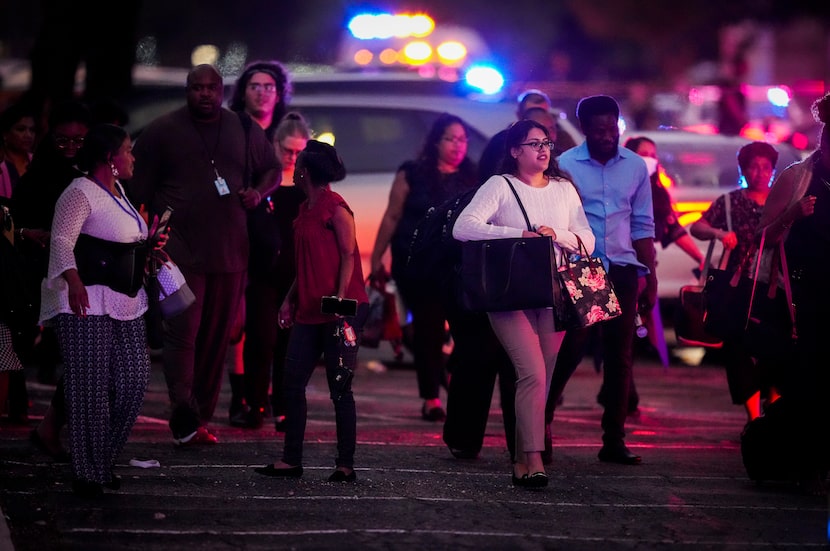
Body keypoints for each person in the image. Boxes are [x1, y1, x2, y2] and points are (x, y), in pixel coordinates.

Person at [127, 64, 280, 446]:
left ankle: (200, 417)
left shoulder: (242, 128)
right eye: (198, 88)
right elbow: (135, 190)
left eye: (212, 87)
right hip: (177, 252)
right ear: (187, 90)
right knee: (183, 333)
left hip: (231, 252)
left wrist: (258, 193)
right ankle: (183, 412)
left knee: (217, 337)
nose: (205, 94)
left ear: (221, 89)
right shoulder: (162, 131)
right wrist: (145, 237)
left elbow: (273, 169)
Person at [453, 119, 595, 487]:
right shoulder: (500, 185)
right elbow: (463, 227)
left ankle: (522, 456)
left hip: (554, 293)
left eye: (546, 142)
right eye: (533, 144)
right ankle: (532, 458)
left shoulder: (564, 189)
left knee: (541, 378)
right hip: (508, 295)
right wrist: (520, 236)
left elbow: (587, 240)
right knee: (531, 372)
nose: (543, 149)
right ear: (514, 151)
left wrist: (556, 235)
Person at [39, 123, 163, 498]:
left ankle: (101, 459)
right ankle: (88, 472)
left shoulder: (119, 191)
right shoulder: (78, 192)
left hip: (125, 301)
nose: (133, 157)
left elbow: (123, 237)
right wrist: (74, 282)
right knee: (89, 389)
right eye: (128, 150)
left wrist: (151, 242)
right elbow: (62, 240)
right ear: (110, 159)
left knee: (132, 381)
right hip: (86, 301)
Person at [547, 95, 657, 466]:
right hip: (585, 268)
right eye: (599, 130)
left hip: (625, 268)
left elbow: (643, 224)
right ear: (585, 130)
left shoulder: (636, 167)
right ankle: (540, 425)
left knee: (620, 357)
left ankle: (614, 439)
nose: (608, 136)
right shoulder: (565, 166)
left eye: (613, 128)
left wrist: (650, 274)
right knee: (572, 349)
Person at [254, 140, 368, 483]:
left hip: (339, 312)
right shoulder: (305, 209)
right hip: (307, 310)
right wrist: (290, 298)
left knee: (340, 387)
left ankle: (345, 463)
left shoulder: (335, 208)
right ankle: (291, 459)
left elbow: (349, 255)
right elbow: (304, 265)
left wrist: (337, 297)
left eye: (297, 166)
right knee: (292, 383)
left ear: (304, 171)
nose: (294, 171)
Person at [370, 113, 478, 422]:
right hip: (416, 264)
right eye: (450, 138)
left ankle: (450, 378)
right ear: (435, 142)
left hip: (457, 265)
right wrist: (378, 256)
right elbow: (392, 215)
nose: (458, 146)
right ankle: (431, 396)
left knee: (466, 328)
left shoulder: (472, 177)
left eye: (462, 139)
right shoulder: (413, 173)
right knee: (429, 328)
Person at [756, 91, 830, 496]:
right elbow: (762, 239)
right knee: (809, 379)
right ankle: (809, 465)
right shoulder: (798, 177)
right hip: (802, 297)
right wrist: (792, 213)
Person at [13, 100, 92, 457]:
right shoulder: (40, 174)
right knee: (78, 359)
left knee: (85, 361)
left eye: (79, 141)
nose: (71, 148)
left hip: (87, 272)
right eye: (63, 141)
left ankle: (52, 427)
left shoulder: (93, 169)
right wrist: (32, 232)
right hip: (50, 274)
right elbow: (16, 219)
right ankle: (52, 428)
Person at [690, 141, 780, 422]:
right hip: (737, 287)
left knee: (775, 350)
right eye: (753, 166)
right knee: (738, 349)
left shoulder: (783, 201)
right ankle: (754, 419)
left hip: (774, 285)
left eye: (766, 167)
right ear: (743, 170)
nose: (760, 173)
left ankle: (774, 414)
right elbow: (698, 226)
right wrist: (719, 234)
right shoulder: (730, 202)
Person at [226, 60, 291, 427]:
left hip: (274, 237)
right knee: (239, 320)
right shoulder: (231, 127)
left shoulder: (286, 129)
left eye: (269, 86)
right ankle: (243, 396)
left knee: (267, 323)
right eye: (255, 85)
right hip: (238, 227)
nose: (262, 92)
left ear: (279, 92)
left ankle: (263, 398)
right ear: (243, 90)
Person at [238, 112, 310, 430]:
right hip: (263, 270)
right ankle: (256, 403)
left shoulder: (306, 186)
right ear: (275, 145)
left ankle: (282, 405)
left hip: (293, 273)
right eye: (287, 151)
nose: (292, 158)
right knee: (260, 338)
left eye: (299, 152)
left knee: (288, 341)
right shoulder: (264, 180)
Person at [624, 135, 704, 368]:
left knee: (641, 324)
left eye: (652, 155)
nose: (649, 159)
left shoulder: (658, 193)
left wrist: (699, 258)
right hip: (621, 265)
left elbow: (672, 229)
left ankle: (627, 388)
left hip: (646, 267)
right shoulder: (621, 188)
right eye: (643, 154)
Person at [478, 89, 553, 183]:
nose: (538, 118)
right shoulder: (501, 142)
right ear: (519, 114)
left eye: (542, 112)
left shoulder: (560, 140)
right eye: (531, 113)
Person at [228, 60, 291, 142]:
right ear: (243, 94)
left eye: (268, 88)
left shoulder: (286, 137)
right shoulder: (227, 130)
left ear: (278, 96)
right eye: (254, 87)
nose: (261, 93)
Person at [0, 102, 36, 198]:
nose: (28, 135)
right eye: (21, 129)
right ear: (5, 134)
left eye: (32, 130)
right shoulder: (1, 165)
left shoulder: (38, 162)